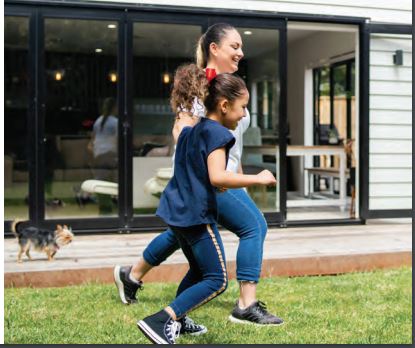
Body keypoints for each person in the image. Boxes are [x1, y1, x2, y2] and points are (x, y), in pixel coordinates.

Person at [114, 23, 284, 334]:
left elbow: (234, 141)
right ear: (214, 49)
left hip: (225, 173)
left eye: (241, 47)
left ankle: (132, 275)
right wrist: (201, 157)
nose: (241, 52)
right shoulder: (198, 86)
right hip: (207, 178)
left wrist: (242, 174)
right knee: (253, 226)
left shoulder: (229, 87)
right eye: (234, 46)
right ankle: (245, 305)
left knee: (183, 234)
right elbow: (181, 128)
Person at [137, 68, 277, 344]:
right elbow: (217, 175)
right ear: (224, 105)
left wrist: (216, 183)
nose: (243, 115)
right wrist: (258, 178)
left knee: (200, 270)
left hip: (175, 211)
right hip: (195, 216)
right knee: (217, 279)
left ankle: (179, 318)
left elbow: (196, 171)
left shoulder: (194, 129)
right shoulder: (219, 135)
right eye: (243, 108)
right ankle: (162, 319)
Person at [89, 97, 118, 214]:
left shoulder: (98, 121)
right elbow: (117, 141)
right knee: (113, 182)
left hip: (98, 155)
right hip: (110, 155)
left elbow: (92, 141)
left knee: (102, 182)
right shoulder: (115, 122)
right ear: (115, 108)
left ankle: (104, 208)